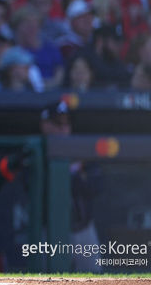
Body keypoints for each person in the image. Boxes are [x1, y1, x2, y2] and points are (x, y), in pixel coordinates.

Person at [39, 101, 102, 273]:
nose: (63, 128)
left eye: (67, 123)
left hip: (83, 228)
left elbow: (95, 187)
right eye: (58, 123)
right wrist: (74, 173)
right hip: (50, 231)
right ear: (45, 125)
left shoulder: (81, 151)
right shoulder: (37, 151)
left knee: (93, 277)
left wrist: (70, 177)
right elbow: (38, 190)